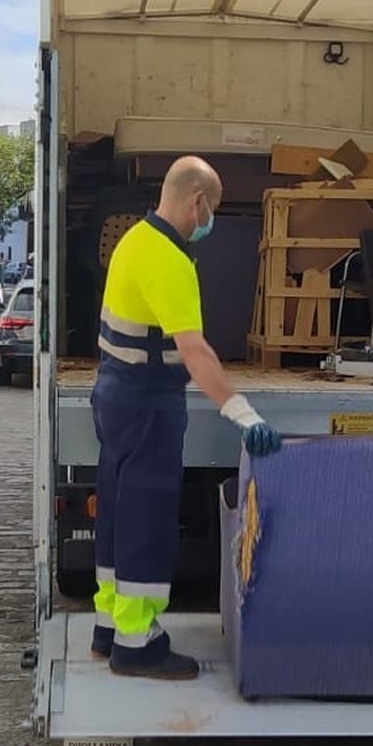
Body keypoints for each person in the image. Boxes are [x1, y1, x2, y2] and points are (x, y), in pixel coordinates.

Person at [90, 156, 282, 680]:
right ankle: (138, 644)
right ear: (197, 202)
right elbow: (195, 352)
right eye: (212, 211)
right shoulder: (170, 260)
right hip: (148, 400)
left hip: (115, 394)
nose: (208, 223)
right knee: (147, 520)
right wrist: (242, 414)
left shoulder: (132, 240)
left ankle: (110, 628)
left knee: (117, 511)